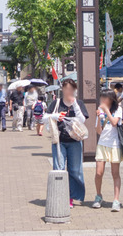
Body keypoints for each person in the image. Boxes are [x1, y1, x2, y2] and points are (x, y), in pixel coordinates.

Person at [46, 79, 89, 209]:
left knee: (75, 170)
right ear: (62, 89)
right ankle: (60, 196)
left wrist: (74, 103)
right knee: (59, 169)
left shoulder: (79, 103)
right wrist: (55, 116)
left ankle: (71, 196)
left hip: (75, 141)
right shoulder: (56, 103)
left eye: (71, 89)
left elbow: (82, 120)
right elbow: (44, 118)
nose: (68, 91)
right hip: (59, 141)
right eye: (66, 89)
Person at [93, 90, 123, 212]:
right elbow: (98, 131)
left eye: (104, 98)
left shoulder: (118, 109)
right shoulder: (100, 111)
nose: (102, 100)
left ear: (110, 99)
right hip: (102, 144)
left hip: (114, 145)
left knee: (115, 173)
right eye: (101, 98)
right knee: (98, 173)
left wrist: (106, 111)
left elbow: (114, 123)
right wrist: (98, 117)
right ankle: (98, 195)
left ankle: (116, 200)